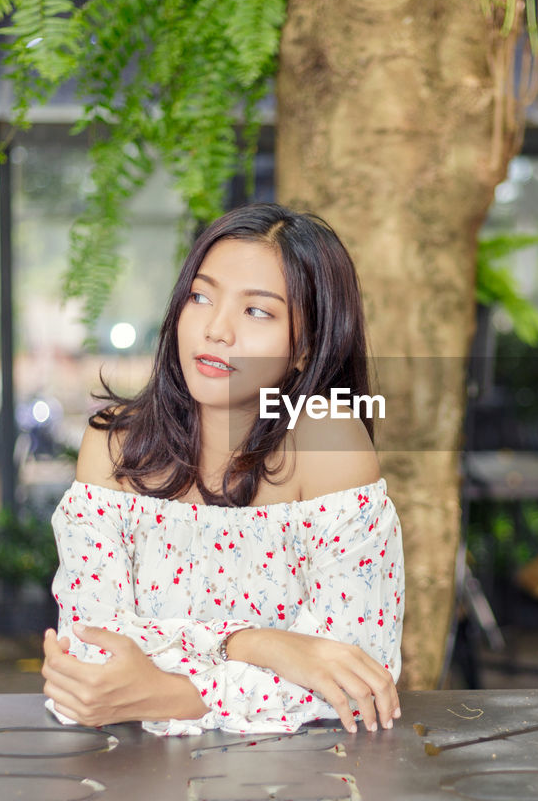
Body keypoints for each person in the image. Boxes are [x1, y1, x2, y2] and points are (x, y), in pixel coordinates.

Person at [40, 202, 404, 737]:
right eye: (201, 296)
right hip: (129, 789)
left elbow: (358, 680)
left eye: (257, 311)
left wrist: (169, 692)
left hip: (296, 794)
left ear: (303, 346)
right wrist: (261, 644)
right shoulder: (114, 444)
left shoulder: (327, 439)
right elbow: (88, 671)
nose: (216, 330)